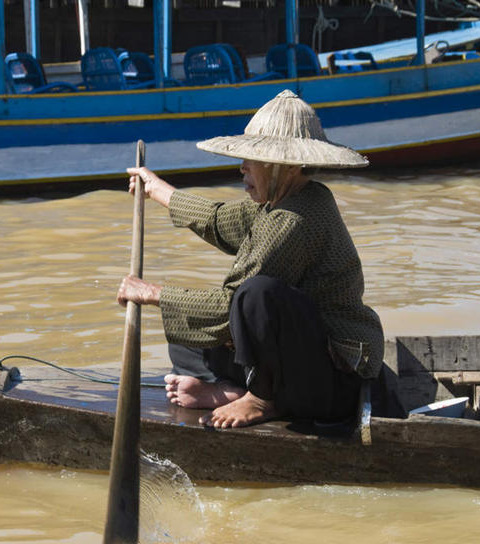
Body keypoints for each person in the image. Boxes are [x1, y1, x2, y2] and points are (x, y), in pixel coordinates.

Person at [116, 90, 384, 429]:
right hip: (296, 364)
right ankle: (237, 391)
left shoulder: (294, 218)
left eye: (251, 160)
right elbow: (218, 220)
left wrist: (151, 293)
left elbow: (233, 303)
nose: (242, 167)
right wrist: (155, 188)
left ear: (278, 166)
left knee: (254, 295)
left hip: (333, 381)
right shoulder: (276, 202)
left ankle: (260, 398)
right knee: (187, 337)